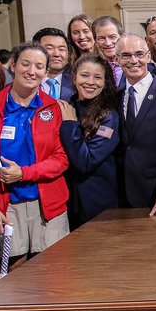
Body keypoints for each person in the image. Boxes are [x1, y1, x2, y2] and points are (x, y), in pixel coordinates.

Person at [0, 44, 71, 260]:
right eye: (25, 64)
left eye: (39, 67)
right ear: (13, 65)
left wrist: (24, 173)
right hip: (3, 203)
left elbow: (61, 158)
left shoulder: (53, 107)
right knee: (10, 275)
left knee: (54, 271)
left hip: (46, 204)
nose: (31, 71)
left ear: (46, 72)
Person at [114, 33, 156, 216]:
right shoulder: (115, 97)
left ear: (148, 56)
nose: (133, 60)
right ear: (117, 59)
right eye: (126, 56)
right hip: (120, 193)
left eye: (139, 54)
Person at [57, 54, 121, 228]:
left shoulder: (109, 116)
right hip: (67, 201)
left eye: (97, 77)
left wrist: (70, 125)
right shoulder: (67, 106)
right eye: (85, 75)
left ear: (105, 82)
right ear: (74, 77)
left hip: (96, 203)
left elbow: (86, 161)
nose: (90, 82)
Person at [34, 28, 76, 101]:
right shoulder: (26, 83)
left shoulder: (77, 81)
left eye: (61, 49)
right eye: (49, 48)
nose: (56, 54)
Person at [92, 15, 125, 84]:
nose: (107, 43)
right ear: (95, 41)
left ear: (122, 37)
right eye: (101, 38)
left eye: (112, 37)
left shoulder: (136, 64)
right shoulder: (93, 67)